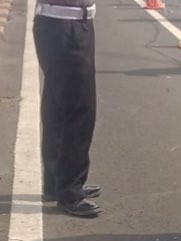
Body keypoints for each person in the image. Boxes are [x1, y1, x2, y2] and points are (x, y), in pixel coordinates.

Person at [34, 0, 102, 217]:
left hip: (66, 23)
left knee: (58, 107)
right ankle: (70, 191)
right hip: (64, 25)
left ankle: (57, 181)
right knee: (80, 109)